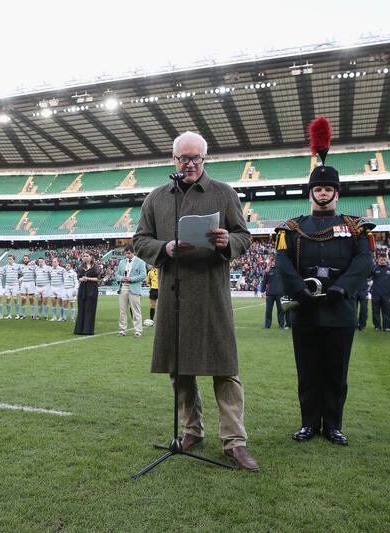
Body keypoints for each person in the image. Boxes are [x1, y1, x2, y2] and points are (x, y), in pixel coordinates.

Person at [133, 130, 258, 471]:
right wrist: (165, 248)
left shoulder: (224, 193)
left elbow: (244, 236)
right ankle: (192, 430)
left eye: (195, 158)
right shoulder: (157, 197)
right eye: (183, 158)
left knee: (225, 370)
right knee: (180, 370)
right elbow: (139, 240)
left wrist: (226, 241)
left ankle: (235, 442)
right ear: (173, 159)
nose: (189, 164)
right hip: (174, 294)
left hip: (211, 294)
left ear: (205, 159)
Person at [275, 116, 374, 446]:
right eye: (318, 188)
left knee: (336, 373)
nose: (322, 193)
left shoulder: (355, 226)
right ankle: (308, 423)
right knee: (308, 372)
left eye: (328, 189)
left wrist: (341, 289)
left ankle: (332, 425)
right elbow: (282, 262)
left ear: (336, 192)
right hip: (304, 310)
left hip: (339, 311)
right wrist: (299, 292)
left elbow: (364, 261)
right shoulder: (291, 227)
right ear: (311, 192)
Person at [115, 245, 147, 337]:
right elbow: (117, 275)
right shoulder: (121, 262)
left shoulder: (140, 262)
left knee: (136, 311)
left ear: (133, 252)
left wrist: (131, 279)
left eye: (129, 253)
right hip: (123, 288)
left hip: (134, 288)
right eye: (126, 253)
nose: (127, 255)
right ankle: (122, 330)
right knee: (122, 311)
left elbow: (143, 275)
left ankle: (138, 330)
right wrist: (122, 278)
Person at [74, 251, 102, 335]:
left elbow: (98, 278)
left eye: (87, 256)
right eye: (84, 256)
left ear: (91, 257)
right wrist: (81, 279)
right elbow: (78, 277)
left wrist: (88, 278)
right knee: (81, 309)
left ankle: (88, 330)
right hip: (83, 289)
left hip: (92, 289)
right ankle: (79, 330)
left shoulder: (96, 267)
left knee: (90, 310)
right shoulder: (80, 267)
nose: (85, 257)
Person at [259, 257, 288, 329]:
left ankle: (281, 325)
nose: (274, 262)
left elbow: (287, 281)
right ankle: (267, 325)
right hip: (270, 293)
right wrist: (262, 291)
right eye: (273, 261)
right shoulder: (268, 271)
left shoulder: (282, 270)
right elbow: (264, 281)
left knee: (281, 310)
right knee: (268, 310)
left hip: (280, 293)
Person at [369, 255, 390, 332]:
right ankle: (377, 326)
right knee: (375, 311)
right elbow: (368, 276)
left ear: (386, 260)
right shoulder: (374, 268)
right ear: (378, 260)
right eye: (381, 260)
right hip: (376, 293)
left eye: (384, 260)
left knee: (386, 311)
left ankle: (386, 327)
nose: (382, 261)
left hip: (386, 293)